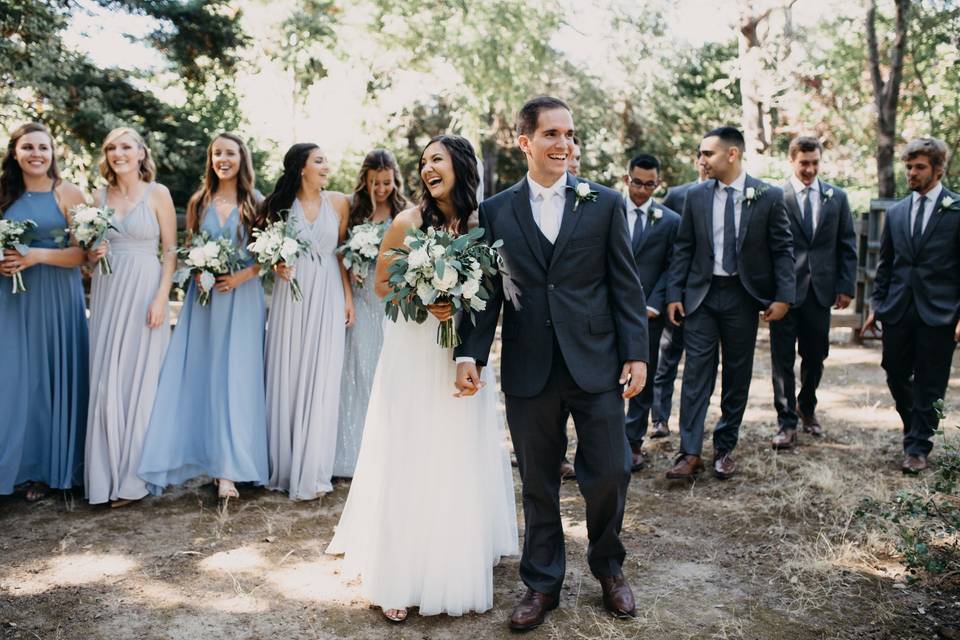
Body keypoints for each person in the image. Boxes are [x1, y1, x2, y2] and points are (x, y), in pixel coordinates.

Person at [455, 96, 649, 630]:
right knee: (538, 482)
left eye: (570, 134)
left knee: (610, 470)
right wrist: (469, 352)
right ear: (525, 142)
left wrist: (636, 353)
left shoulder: (604, 203)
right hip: (529, 367)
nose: (564, 143)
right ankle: (542, 585)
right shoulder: (495, 210)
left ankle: (609, 567)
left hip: (596, 362)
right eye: (551, 134)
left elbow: (624, 285)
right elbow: (488, 293)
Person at [327, 135, 517, 623]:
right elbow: (383, 285)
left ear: (460, 165)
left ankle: (450, 555)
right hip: (413, 348)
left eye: (438, 159)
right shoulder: (406, 221)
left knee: (453, 450)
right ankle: (398, 571)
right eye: (424, 161)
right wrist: (424, 293)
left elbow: (491, 293)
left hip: (460, 354)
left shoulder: (483, 223)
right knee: (410, 450)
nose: (428, 167)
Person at [138, 133, 267, 501]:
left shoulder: (256, 202)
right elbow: (189, 249)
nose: (222, 159)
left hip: (241, 298)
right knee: (209, 376)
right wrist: (199, 271)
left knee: (238, 378)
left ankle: (230, 469)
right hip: (206, 300)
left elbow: (265, 258)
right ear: (210, 159)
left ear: (242, 158)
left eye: (229, 153)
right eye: (216, 153)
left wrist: (239, 277)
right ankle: (212, 461)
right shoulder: (200, 201)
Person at [665, 126, 794, 481]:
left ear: (732, 154)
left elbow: (782, 248)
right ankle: (689, 452)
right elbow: (684, 248)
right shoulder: (696, 195)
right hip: (701, 297)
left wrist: (784, 296)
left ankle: (725, 447)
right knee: (695, 375)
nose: (701, 160)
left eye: (708, 154)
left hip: (742, 295)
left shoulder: (767, 195)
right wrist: (674, 294)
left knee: (737, 374)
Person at [84, 127, 177, 506]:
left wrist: (161, 298)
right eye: (111, 147)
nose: (118, 153)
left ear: (141, 153)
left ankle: (133, 478)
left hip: (144, 291)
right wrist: (94, 254)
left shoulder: (158, 194)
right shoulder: (97, 197)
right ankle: (104, 475)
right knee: (107, 379)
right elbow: (89, 255)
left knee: (139, 381)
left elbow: (170, 251)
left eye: (126, 146)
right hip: (108, 293)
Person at [0, 122, 89, 501]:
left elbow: (81, 254)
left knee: (50, 378)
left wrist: (35, 255)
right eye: (28, 147)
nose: (36, 154)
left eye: (43, 147)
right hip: (12, 296)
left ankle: (47, 470)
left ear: (53, 153)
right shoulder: (4, 192)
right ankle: (12, 467)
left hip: (56, 295)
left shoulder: (68, 193)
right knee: (13, 378)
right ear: (15, 153)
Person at [862, 137, 960, 474]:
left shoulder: (956, 209)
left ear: (937, 169)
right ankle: (913, 424)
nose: (912, 173)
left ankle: (918, 446)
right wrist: (876, 305)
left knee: (930, 382)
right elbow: (886, 265)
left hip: (940, 312)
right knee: (895, 371)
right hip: (898, 309)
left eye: (919, 167)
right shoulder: (897, 212)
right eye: (908, 167)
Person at [262, 143, 354, 499]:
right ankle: (285, 468)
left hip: (329, 292)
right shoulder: (280, 207)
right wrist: (277, 265)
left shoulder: (339, 203)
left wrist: (347, 298)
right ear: (302, 167)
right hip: (292, 295)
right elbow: (269, 252)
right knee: (290, 372)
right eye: (319, 160)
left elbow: (341, 254)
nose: (326, 165)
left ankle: (313, 469)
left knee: (322, 375)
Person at [769, 136, 856, 450]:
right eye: (804, 163)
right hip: (784, 292)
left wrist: (845, 286)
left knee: (816, 355)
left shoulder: (837, 197)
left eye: (815, 163)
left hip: (820, 291)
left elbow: (847, 244)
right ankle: (785, 422)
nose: (810, 169)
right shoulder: (775, 196)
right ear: (792, 160)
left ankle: (807, 407)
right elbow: (764, 246)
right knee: (781, 358)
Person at [334, 149, 407, 478]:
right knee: (359, 373)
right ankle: (355, 453)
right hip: (360, 303)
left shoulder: (403, 212)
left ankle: (391, 450)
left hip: (391, 305)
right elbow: (339, 256)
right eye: (375, 182)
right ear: (365, 179)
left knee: (389, 374)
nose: (381, 189)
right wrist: (348, 296)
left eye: (387, 182)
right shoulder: (353, 209)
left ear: (395, 179)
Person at [622, 154, 681, 471]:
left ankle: (633, 442)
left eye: (650, 184)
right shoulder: (607, 210)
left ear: (658, 184)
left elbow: (672, 266)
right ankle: (610, 441)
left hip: (649, 312)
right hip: (610, 310)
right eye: (637, 182)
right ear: (626, 179)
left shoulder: (670, 220)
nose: (642, 190)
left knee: (642, 376)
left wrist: (655, 303)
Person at [652, 147, 707, 439]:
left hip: (706, 293)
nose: (707, 164)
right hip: (676, 288)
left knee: (699, 364)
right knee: (667, 355)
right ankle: (659, 418)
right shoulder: (678, 195)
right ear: (696, 160)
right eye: (703, 158)